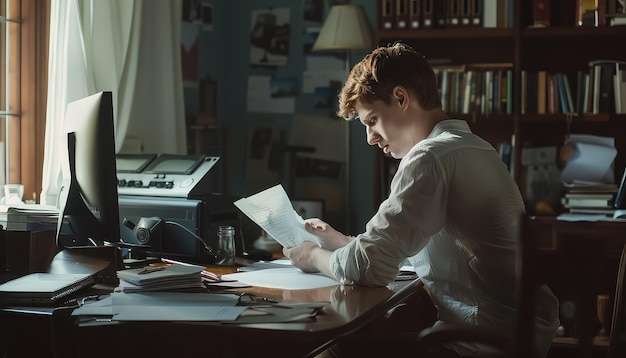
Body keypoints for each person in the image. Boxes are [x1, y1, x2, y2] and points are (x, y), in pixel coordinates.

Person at [283, 42, 560, 357]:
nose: (370, 138)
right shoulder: (471, 146)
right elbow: (393, 249)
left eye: (372, 120)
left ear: (400, 98)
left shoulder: (430, 157)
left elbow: (371, 267)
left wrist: (312, 257)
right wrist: (338, 241)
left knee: (329, 353)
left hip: (481, 342)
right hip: (512, 336)